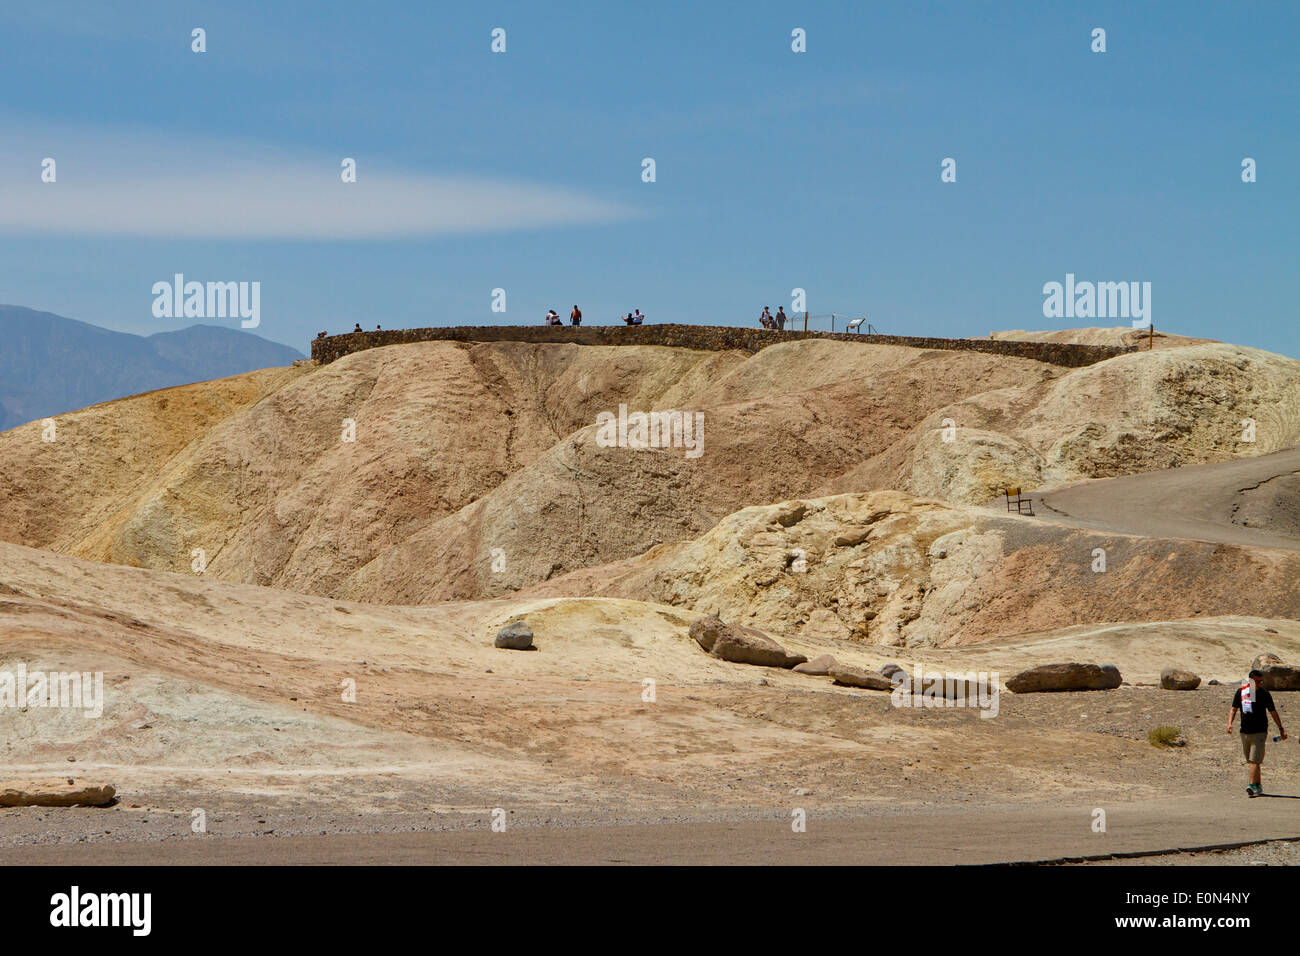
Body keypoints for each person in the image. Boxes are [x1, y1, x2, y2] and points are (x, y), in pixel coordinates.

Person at [1229, 669, 1286, 796]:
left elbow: (1273, 712)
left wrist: (1281, 728)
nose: (1259, 683)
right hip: (1244, 732)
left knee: (1254, 760)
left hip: (1260, 731)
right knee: (1253, 761)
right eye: (1256, 681)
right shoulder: (1242, 692)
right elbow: (1233, 709)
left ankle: (1250, 785)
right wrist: (1229, 724)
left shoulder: (1264, 694)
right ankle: (1257, 786)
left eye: (1261, 681)